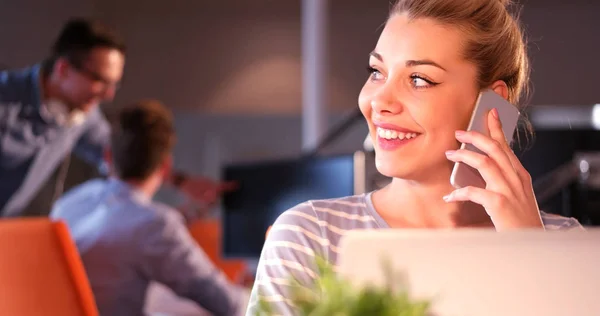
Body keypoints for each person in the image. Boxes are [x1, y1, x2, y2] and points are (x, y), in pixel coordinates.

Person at [245, 0, 584, 315]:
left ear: (491, 104)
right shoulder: (310, 236)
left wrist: (530, 251)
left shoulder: (566, 245)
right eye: (377, 71)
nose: (379, 100)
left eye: (419, 79)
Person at [0, 17, 232, 217]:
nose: (108, 95)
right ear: (63, 69)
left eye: (113, 85)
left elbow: (121, 155)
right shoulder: (5, 99)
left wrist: (181, 182)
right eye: (99, 81)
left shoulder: (84, 114)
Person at [50, 99, 248, 316]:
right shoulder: (156, 224)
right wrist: (254, 291)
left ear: (108, 156)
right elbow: (226, 303)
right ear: (165, 166)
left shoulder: (72, 202)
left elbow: (125, 233)